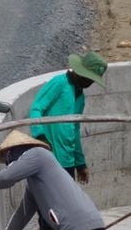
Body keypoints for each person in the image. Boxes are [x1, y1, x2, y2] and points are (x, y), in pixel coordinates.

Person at [29, 51, 107, 184]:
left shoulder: (80, 97)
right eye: (89, 78)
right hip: (50, 157)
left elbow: (74, 131)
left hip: (67, 160)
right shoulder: (60, 83)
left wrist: (80, 163)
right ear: (80, 71)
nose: (90, 83)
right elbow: (36, 109)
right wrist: (40, 137)